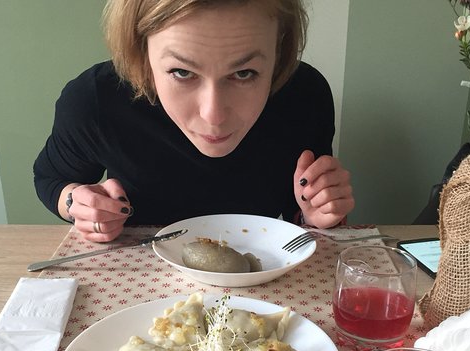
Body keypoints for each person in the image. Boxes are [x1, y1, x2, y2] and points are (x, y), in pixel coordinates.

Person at [34, 0, 354, 242]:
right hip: (140, 272)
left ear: (279, 53)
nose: (213, 115)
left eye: (244, 73)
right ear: (141, 52)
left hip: (258, 273)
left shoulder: (304, 97)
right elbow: (52, 179)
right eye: (182, 72)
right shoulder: (97, 99)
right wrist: (79, 203)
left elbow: (299, 210)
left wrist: (316, 212)